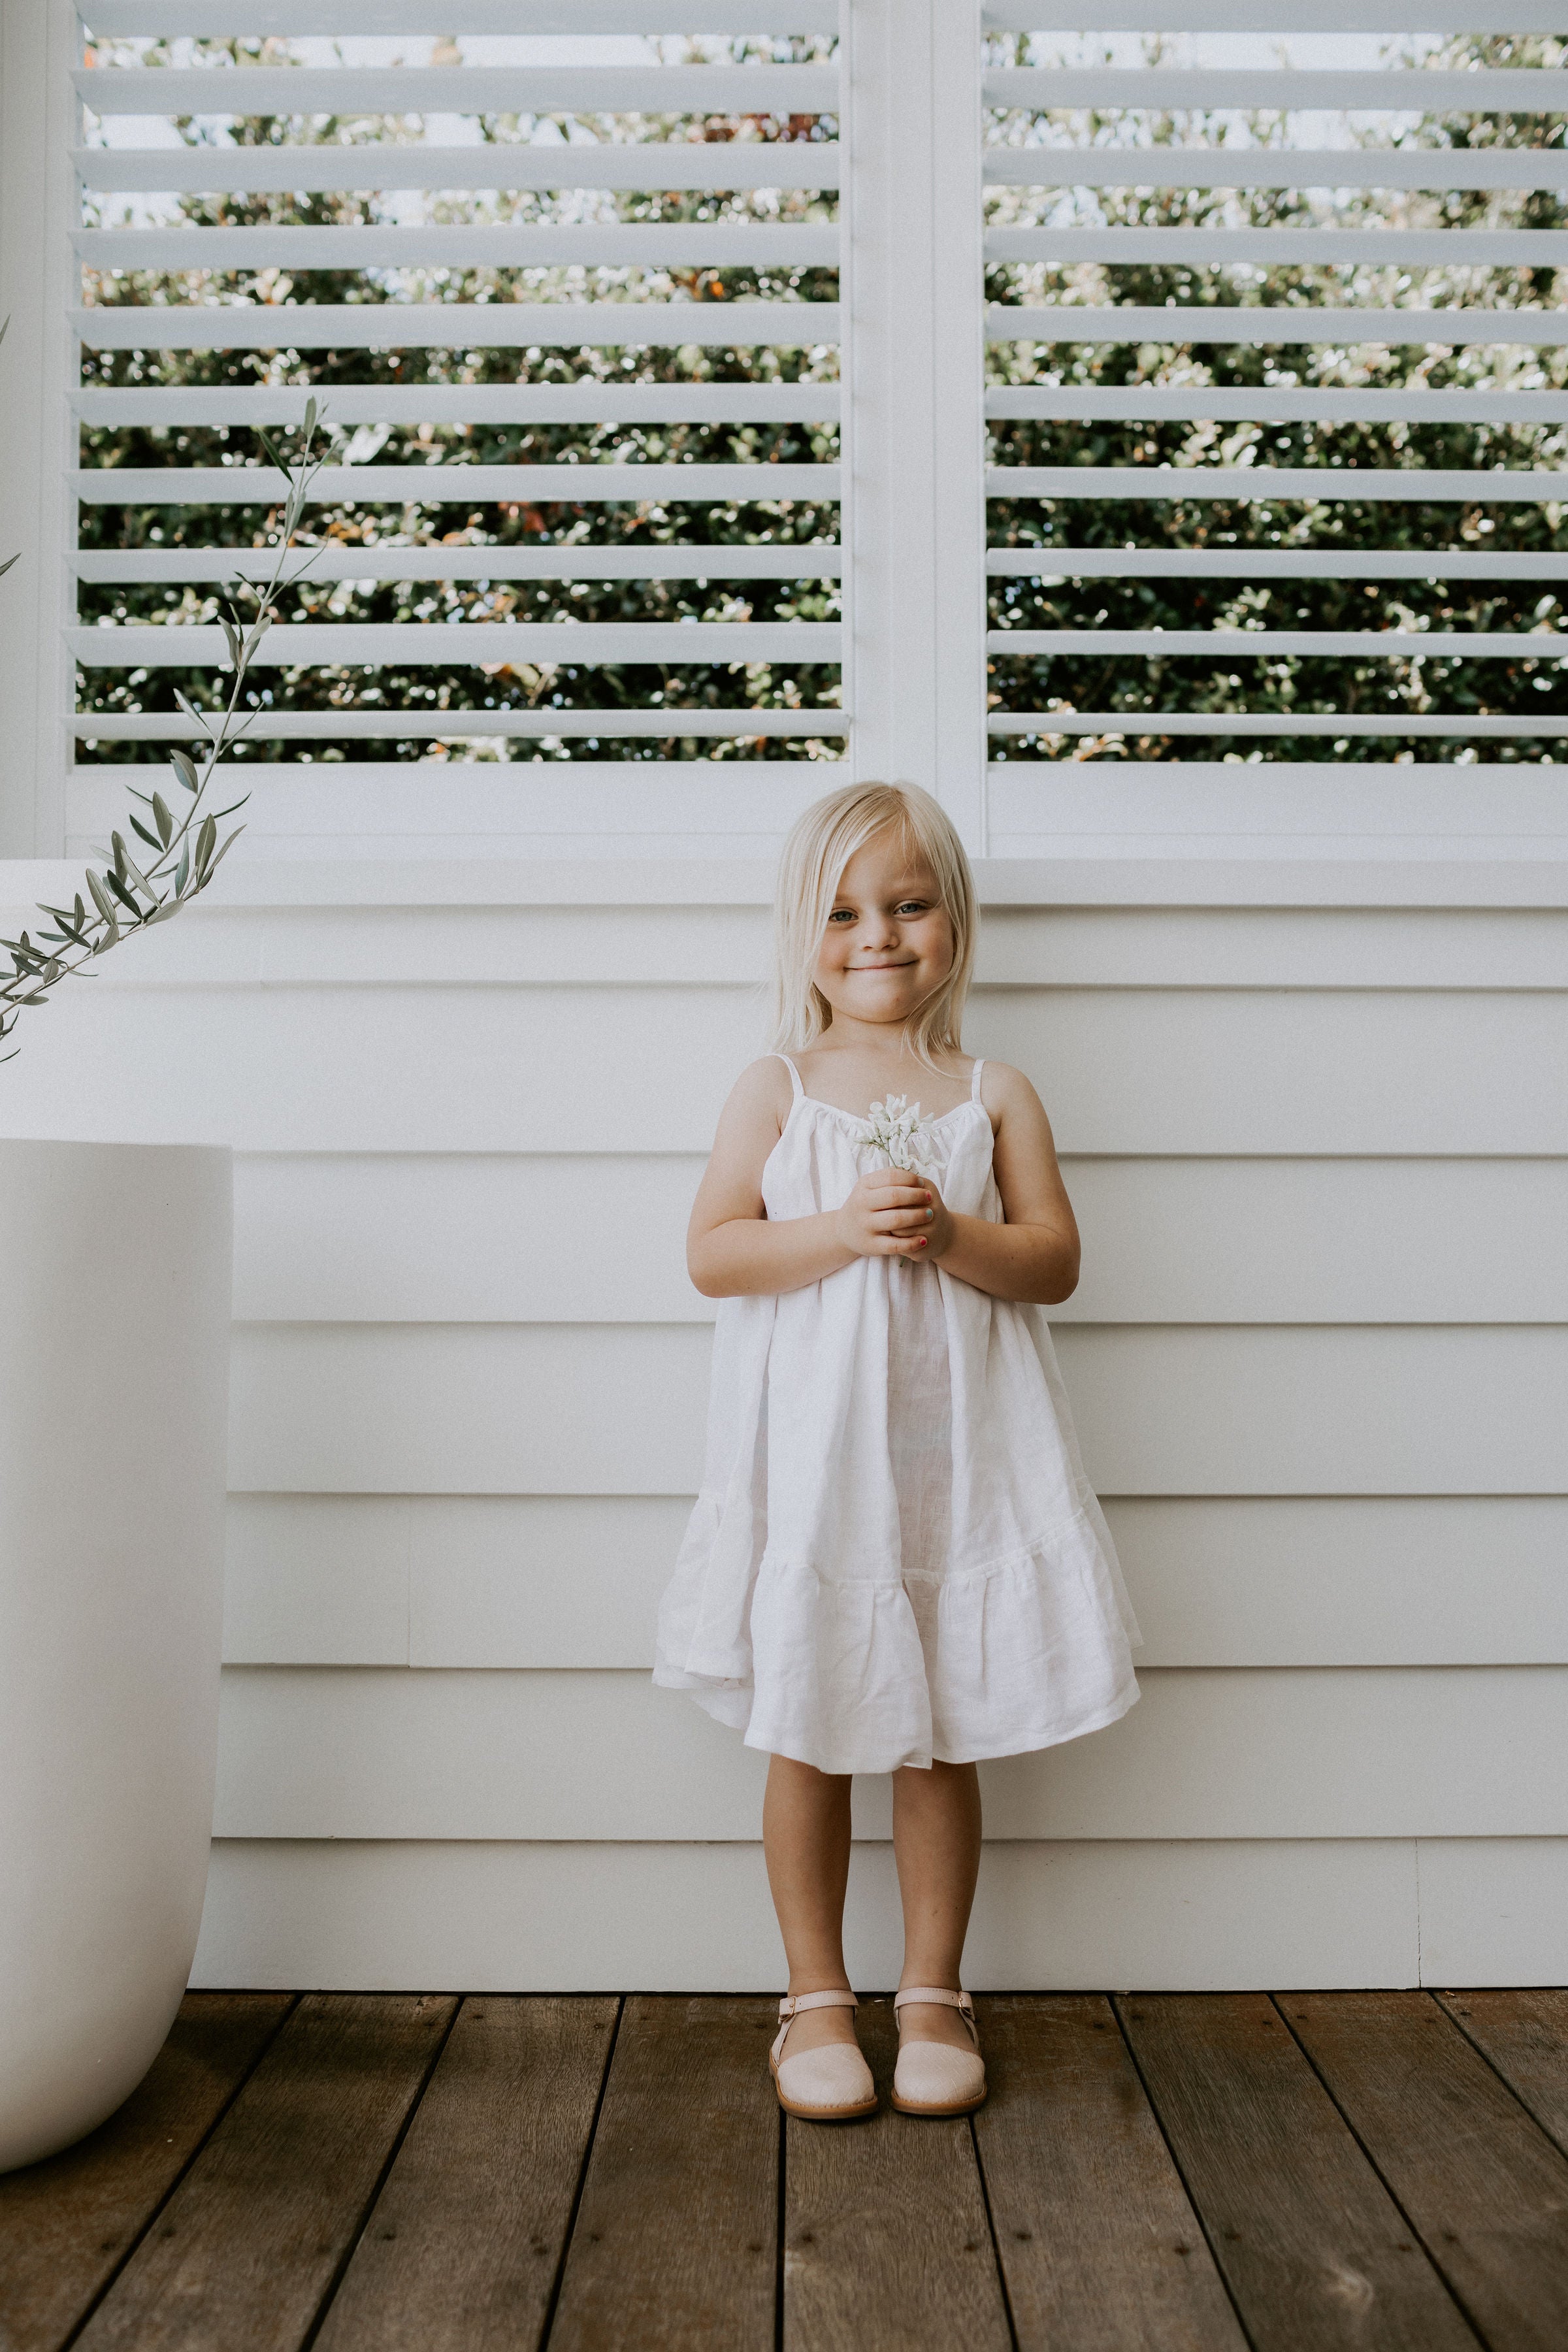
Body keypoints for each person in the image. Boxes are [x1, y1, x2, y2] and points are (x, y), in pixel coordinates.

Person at [653, 780, 1140, 2121]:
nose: (880, 934)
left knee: (939, 1738)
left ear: (953, 923)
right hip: (819, 1475)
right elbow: (712, 1252)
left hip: (956, 1470)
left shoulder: (992, 1093)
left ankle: (934, 1988)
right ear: (803, 934)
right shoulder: (781, 1087)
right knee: (806, 1730)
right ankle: (815, 1994)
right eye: (846, 911)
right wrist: (842, 1232)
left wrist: (950, 1235)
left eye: (909, 904)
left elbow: (1053, 1261)